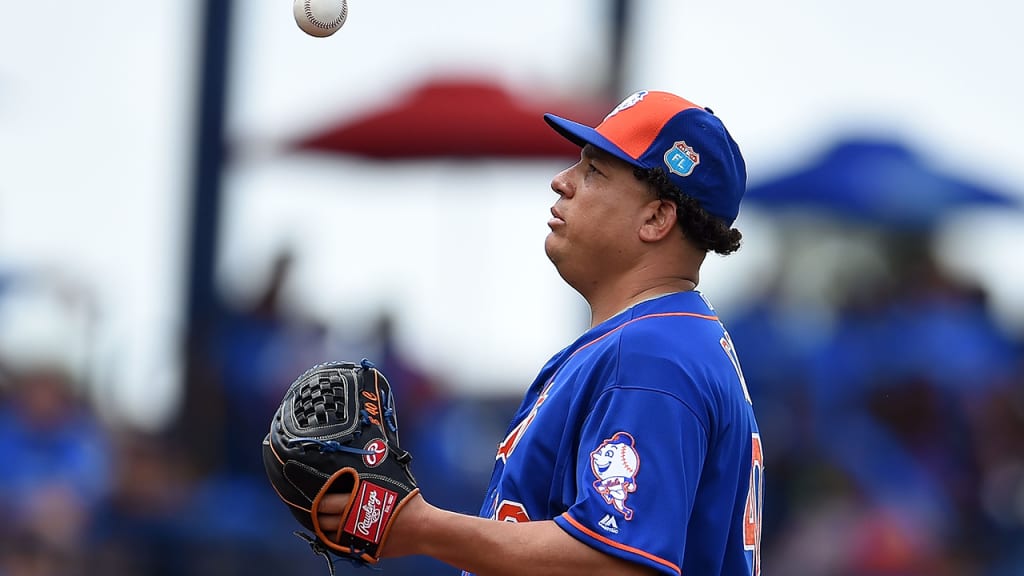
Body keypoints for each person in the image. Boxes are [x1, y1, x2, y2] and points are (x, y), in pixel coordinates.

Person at [319, 90, 764, 576]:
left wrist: (420, 527)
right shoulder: (665, 341)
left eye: (594, 170)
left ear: (656, 218)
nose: (562, 181)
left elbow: (618, 565)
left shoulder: (649, 356)